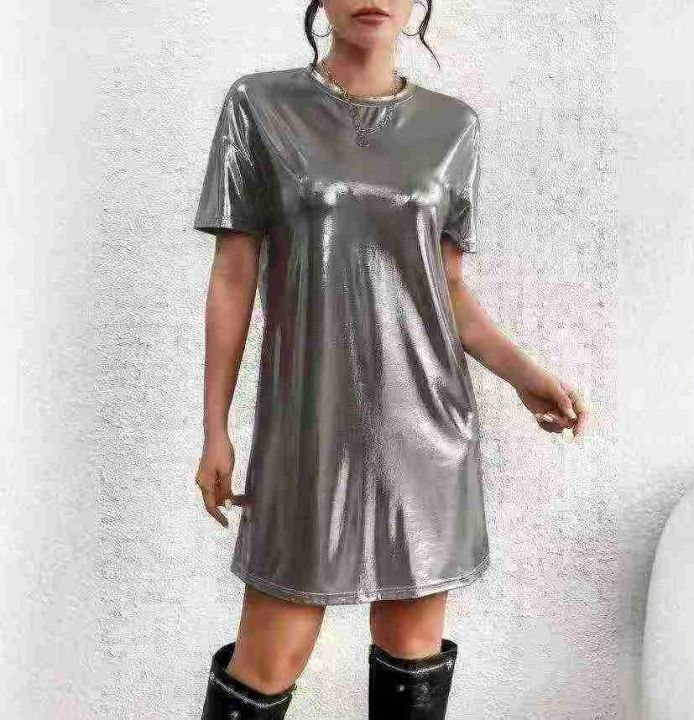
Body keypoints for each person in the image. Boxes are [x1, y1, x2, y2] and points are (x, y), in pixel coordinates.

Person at [191, 1, 590, 718]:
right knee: (269, 659)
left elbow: (448, 288)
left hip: (425, 428)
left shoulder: (453, 126)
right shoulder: (259, 106)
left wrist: (526, 376)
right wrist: (215, 429)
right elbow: (232, 276)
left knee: (412, 651)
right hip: (310, 426)